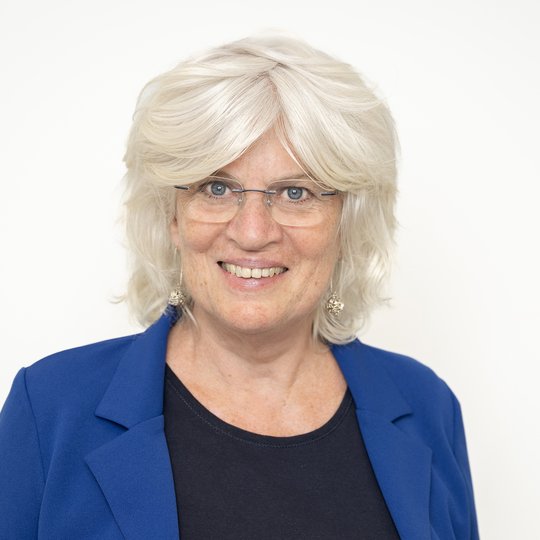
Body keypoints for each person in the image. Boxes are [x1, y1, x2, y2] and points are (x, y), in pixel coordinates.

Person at [0, 34, 479, 539]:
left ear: (347, 223)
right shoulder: (51, 408)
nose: (252, 232)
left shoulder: (428, 409)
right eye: (217, 187)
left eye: (295, 192)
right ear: (172, 217)